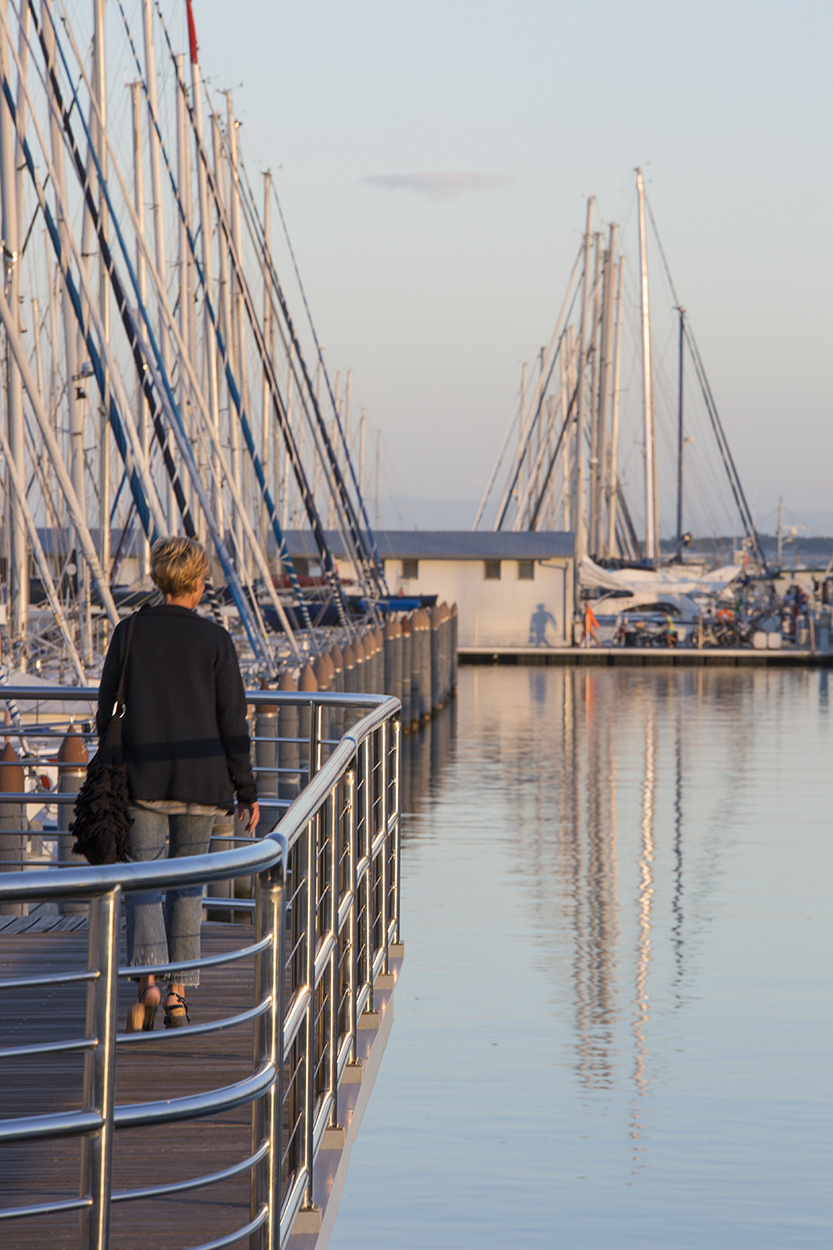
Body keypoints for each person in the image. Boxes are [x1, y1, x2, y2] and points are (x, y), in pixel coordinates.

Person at [97, 537, 259, 1032]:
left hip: (142, 779)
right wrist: (246, 790)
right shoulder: (215, 640)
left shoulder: (129, 632)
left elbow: (105, 712)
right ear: (196, 584)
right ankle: (177, 996)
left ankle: (147, 982)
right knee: (188, 887)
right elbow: (233, 721)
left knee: (144, 881)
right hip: (201, 782)